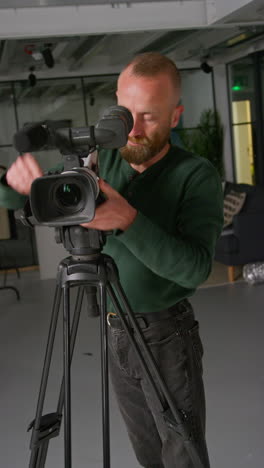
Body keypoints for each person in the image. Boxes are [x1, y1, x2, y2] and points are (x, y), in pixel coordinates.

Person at [0, 52, 223, 468]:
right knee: (147, 454)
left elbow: (195, 268)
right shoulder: (101, 161)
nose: (133, 130)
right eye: (125, 115)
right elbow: (35, 197)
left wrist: (127, 220)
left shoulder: (196, 175)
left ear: (176, 116)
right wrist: (14, 183)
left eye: (149, 117)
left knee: (181, 456)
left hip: (166, 334)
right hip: (113, 326)